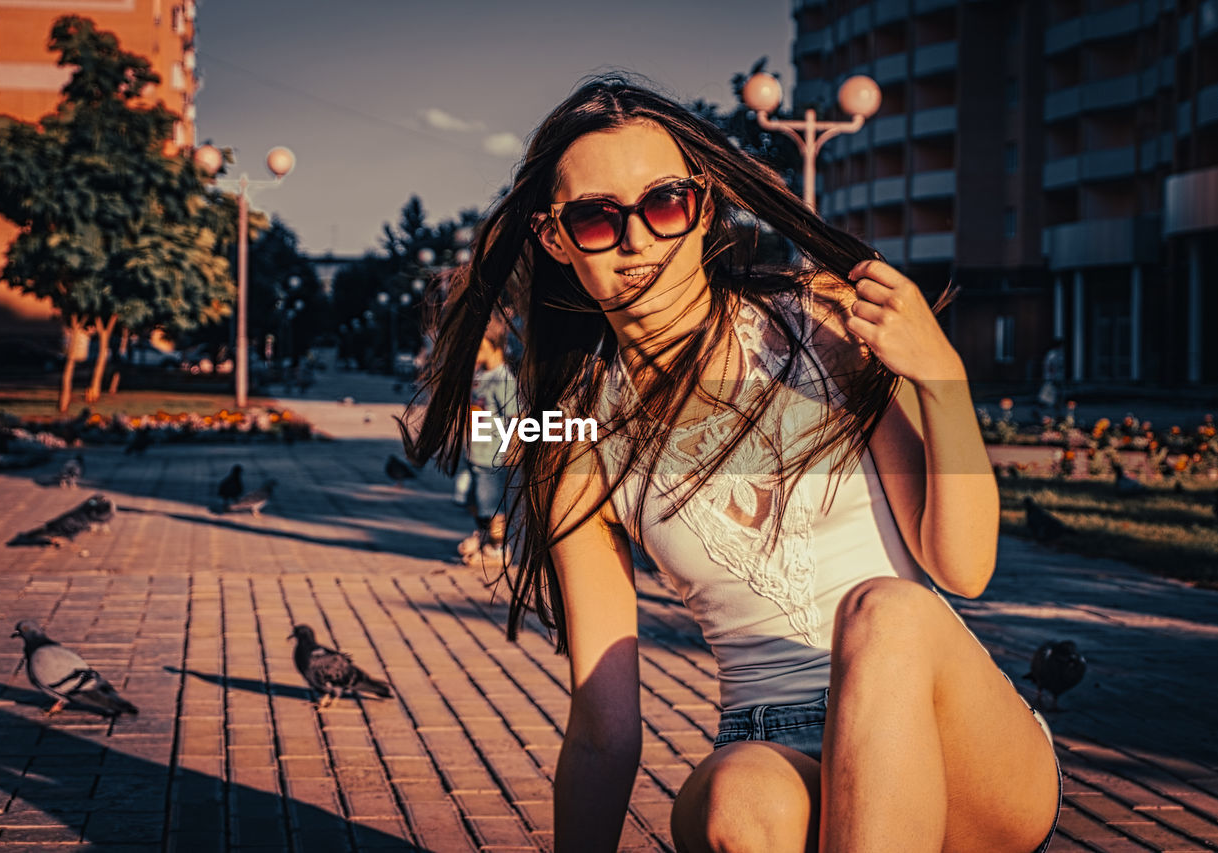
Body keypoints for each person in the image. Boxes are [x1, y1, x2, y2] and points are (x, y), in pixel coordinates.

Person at [402, 76, 1060, 853]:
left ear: (705, 206)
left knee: (885, 612)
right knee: (737, 802)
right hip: (772, 748)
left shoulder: (821, 323)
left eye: (664, 203)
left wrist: (941, 376)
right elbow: (602, 725)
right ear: (556, 239)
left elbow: (963, 566)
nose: (637, 238)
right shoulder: (576, 440)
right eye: (595, 217)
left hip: (961, 747)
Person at [455, 315, 517, 568]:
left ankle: (498, 548)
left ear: (496, 346)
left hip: (492, 456)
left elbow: (514, 415)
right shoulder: (482, 375)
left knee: (492, 507)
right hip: (474, 452)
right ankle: (483, 536)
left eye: (479, 347)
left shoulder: (503, 379)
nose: (474, 353)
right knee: (470, 499)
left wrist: (512, 447)